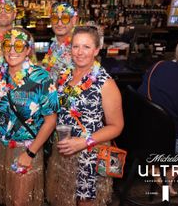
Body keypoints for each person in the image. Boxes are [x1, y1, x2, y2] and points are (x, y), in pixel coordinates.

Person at [46, 26, 124, 206]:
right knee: (63, 198)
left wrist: (84, 142)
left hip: (90, 155)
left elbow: (117, 126)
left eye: (86, 47)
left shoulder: (105, 83)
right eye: (75, 46)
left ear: (96, 50)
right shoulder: (65, 75)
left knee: (85, 202)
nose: (79, 52)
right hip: (65, 151)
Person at [0, 27, 59, 206]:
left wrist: (30, 153)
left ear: (28, 50)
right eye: (8, 45)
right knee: (2, 198)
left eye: (18, 45)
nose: (12, 50)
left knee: (20, 201)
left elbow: (51, 121)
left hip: (26, 149)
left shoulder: (41, 78)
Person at [138, 31, 178, 193]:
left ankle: (158, 168)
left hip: (140, 136)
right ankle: (171, 173)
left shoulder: (158, 66)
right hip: (164, 144)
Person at [42, 2, 77, 84]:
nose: (59, 23)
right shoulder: (54, 44)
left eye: (65, 18)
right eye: (55, 18)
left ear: (74, 20)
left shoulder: (78, 46)